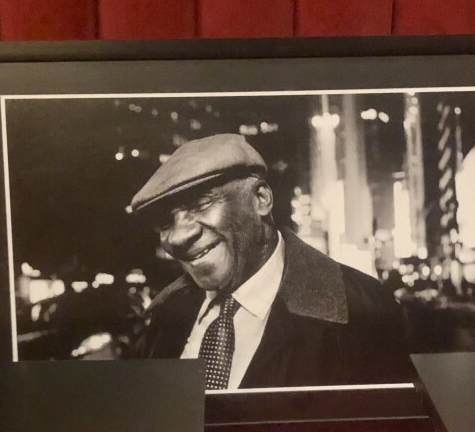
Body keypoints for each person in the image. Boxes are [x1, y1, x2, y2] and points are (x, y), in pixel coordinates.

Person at [129, 133, 414, 390]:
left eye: (200, 203)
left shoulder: (365, 312)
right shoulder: (164, 315)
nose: (178, 237)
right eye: (167, 221)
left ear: (261, 199)